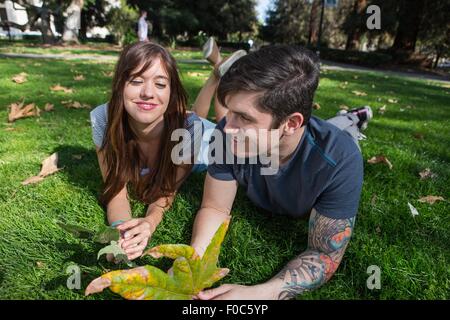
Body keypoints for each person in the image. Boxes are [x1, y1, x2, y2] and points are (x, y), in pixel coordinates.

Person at [185, 42, 372, 300]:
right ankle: (346, 116)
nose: (227, 126)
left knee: (344, 130)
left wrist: (262, 294)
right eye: (229, 112)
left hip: (338, 139)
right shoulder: (227, 135)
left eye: (245, 118)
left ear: (291, 122)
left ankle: (353, 117)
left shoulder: (340, 161)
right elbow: (216, 207)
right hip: (298, 133)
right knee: (323, 126)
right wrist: (195, 261)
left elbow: (323, 254)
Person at [89, 41, 246, 261]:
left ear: (171, 91)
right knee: (196, 118)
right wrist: (121, 231)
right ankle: (216, 73)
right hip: (187, 124)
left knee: (224, 123)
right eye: (136, 81)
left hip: (210, 145)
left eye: (160, 84)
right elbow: (115, 189)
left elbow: (167, 189)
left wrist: (150, 222)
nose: (147, 93)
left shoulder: (191, 130)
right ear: (120, 85)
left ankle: (219, 77)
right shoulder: (102, 119)